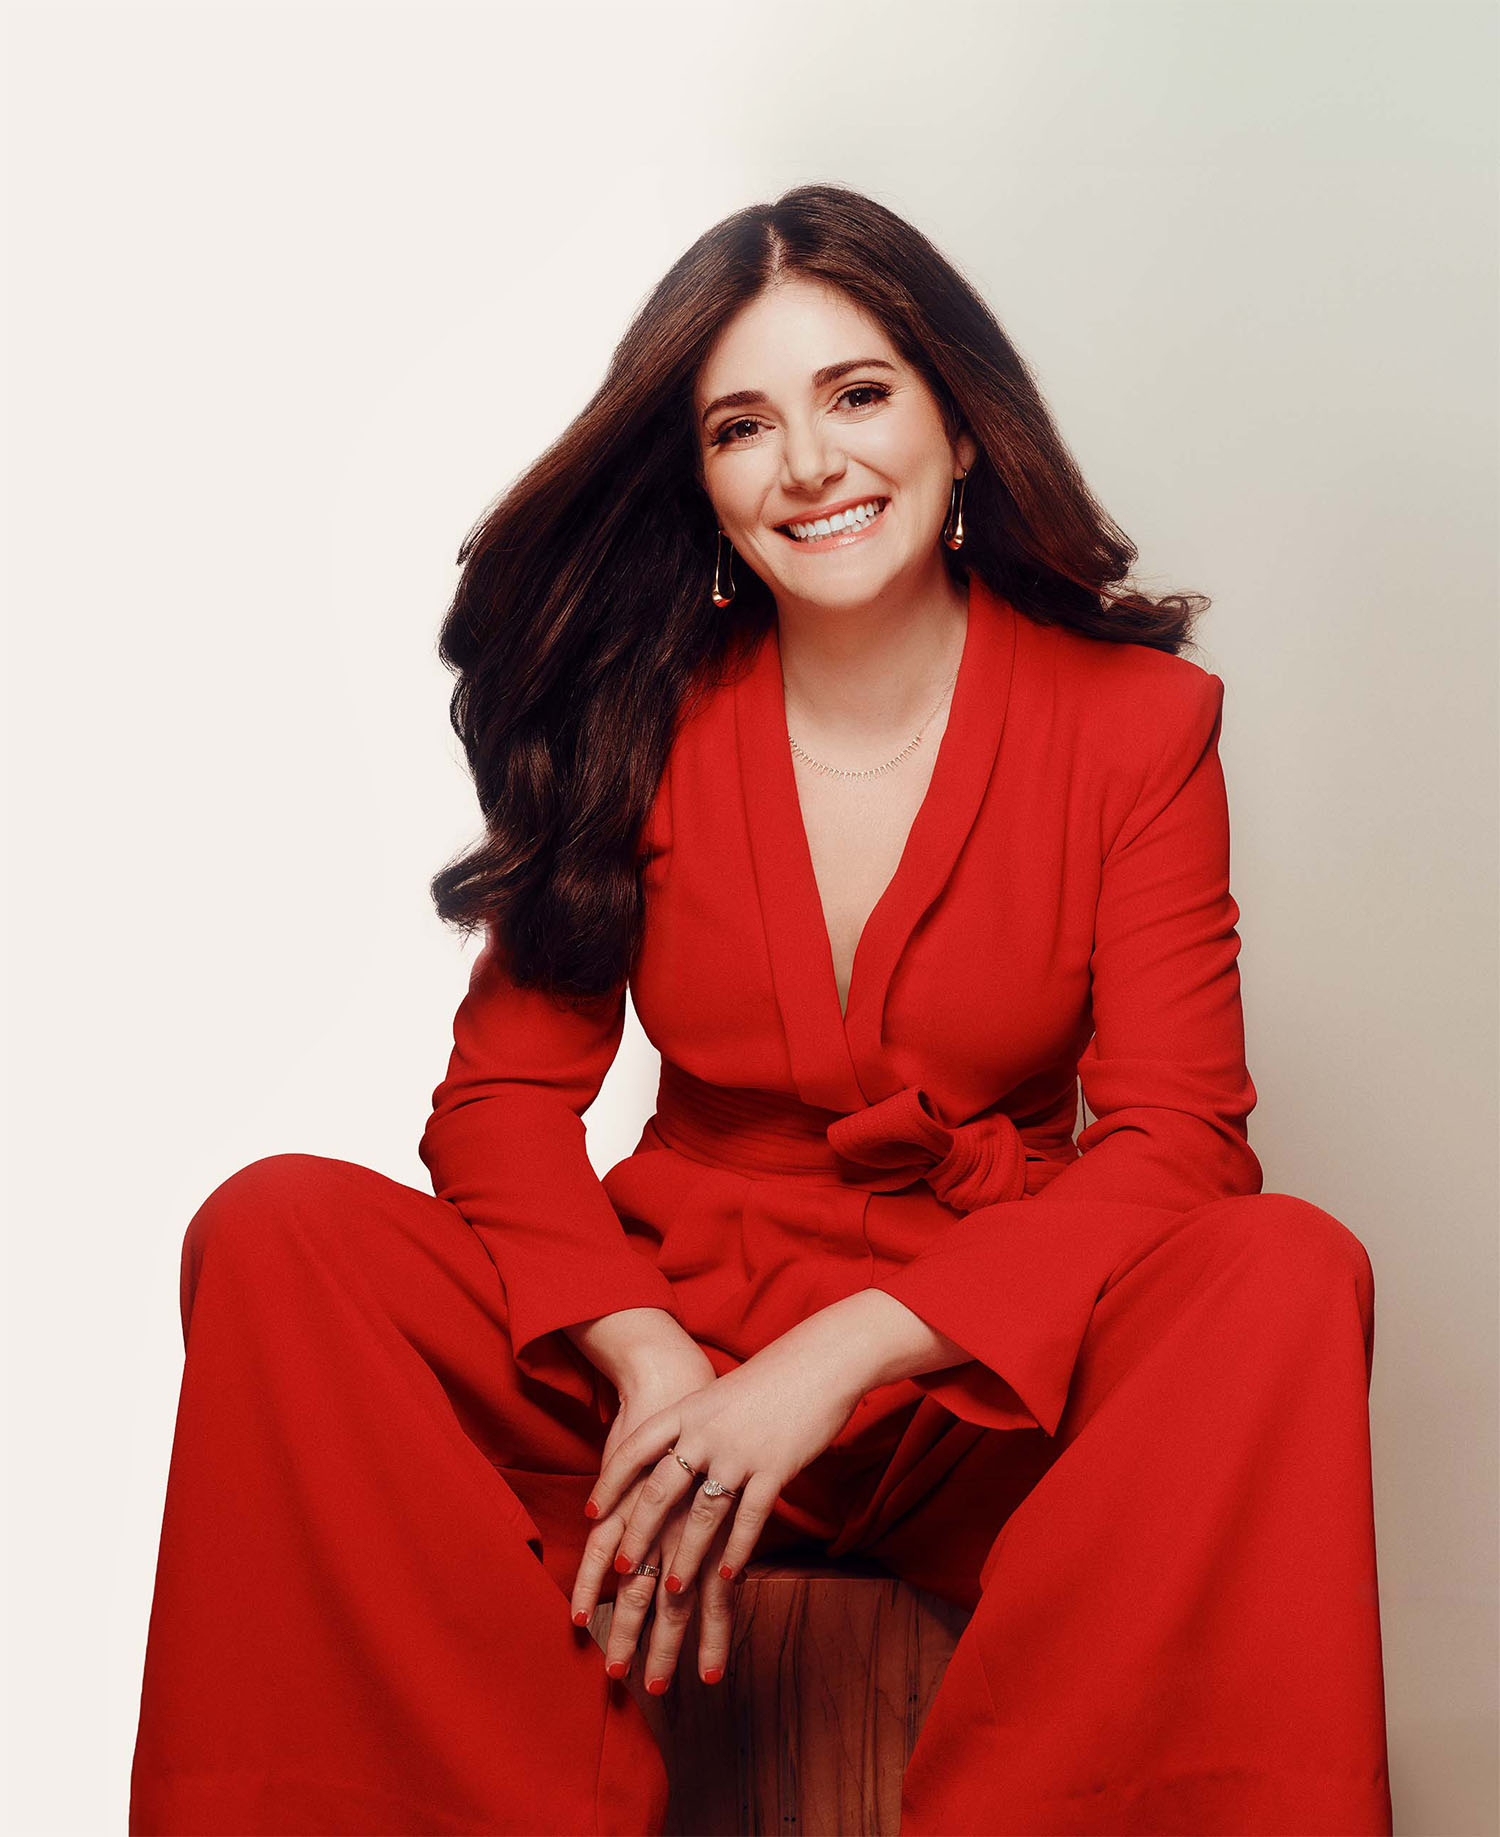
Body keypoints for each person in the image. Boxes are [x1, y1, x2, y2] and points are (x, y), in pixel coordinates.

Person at [128, 183, 1393, 1836]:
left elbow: (1177, 1141)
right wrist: (660, 1368)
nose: (808, 463)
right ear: (703, 480)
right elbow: (499, 1109)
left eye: (857, 394)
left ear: (960, 424)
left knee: (1288, 1265)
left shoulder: (1139, 724)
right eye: (744, 424)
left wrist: (825, 1367)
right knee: (278, 1227)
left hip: (974, 1381)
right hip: (668, 1347)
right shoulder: (632, 716)